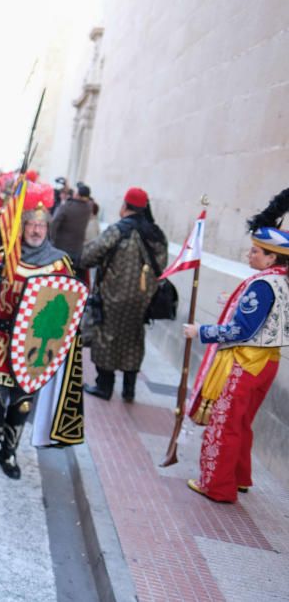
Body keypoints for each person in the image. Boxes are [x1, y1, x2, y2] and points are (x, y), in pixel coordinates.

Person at [0, 181, 82, 478]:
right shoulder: (6, 255)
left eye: (41, 227)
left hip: (35, 346)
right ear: (23, 225)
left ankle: (9, 453)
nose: (35, 231)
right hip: (2, 339)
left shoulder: (58, 264)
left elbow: (69, 306)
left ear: (47, 230)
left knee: (21, 403)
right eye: (30, 225)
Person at [183, 188, 288, 503]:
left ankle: (217, 485)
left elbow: (241, 329)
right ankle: (239, 477)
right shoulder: (282, 280)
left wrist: (201, 331)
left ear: (272, 257)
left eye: (257, 251)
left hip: (246, 363)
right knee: (242, 422)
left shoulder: (263, 283)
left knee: (225, 422)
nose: (250, 254)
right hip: (267, 362)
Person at [80, 187, 168, 401]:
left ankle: (104, 387)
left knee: (107, 338)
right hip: (143, 300)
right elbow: (162, 266)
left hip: (113, 297)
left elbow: (88, 256)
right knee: (133, 340)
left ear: (126, 206)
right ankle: (129, 390)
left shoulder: (118, 230)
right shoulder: (156, 234)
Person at [50, 183, 94, 265]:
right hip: (77, 249)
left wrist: (51, 240)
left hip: (61, 247)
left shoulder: (67, 206)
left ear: (78, 195)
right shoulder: (88, 208)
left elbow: (54, 223)